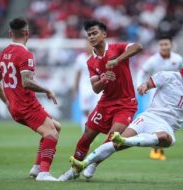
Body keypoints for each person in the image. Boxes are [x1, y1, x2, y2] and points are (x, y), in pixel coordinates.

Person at [69, 52, 183, 179]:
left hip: (166, 128)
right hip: (148, 117)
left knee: (164, 137)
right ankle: (90, 164)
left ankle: (123, 142)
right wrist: (144, 86)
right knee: (114, 144)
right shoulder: (169, 76)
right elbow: (149, 83)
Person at [59, 19, 143, 181]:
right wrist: (104, 79)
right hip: (105, 103)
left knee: (114, 137)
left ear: (104, 34)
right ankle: (74, 170)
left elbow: (138, 47)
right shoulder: (91, 61)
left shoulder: (117, 48)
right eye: (89, 34)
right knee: (86, 136)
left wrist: (118, 60)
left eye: (95, 33)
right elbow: (95, 88)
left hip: (126, 103)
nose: (91, 37)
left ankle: (93, 163)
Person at [0, 17, 61, 181]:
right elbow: (27, 82)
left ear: (10, 33)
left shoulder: (3, 53)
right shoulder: (25, 54)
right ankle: (44, 173)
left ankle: (37, 167)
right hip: (27, 105)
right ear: (27, 33)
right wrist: (47, 90)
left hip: (14, 107)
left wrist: (7, 102)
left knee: (56, 127)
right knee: (51, 134)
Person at [137, 35, 183, 160]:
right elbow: (142, 72)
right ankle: (155, 149)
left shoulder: (178, 59)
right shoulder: (153, 60)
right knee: (154, 121)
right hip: (155, 94)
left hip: (173, 96)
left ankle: (157, 147)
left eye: (166, 44)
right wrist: (140, 85)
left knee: (167, 122)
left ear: (171, 45)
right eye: (161, 44)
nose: (164, 47)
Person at [73, 44, 100, 132]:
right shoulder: (80, 58)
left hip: (96, 87)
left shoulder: (98, 58)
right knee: (85, 110)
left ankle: (92, 130)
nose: (88, 47)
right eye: (87, 45)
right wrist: (75, 89)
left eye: (90, 46)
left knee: (95, 110)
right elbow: (77, 74)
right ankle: (85, 131)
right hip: (84, 87)